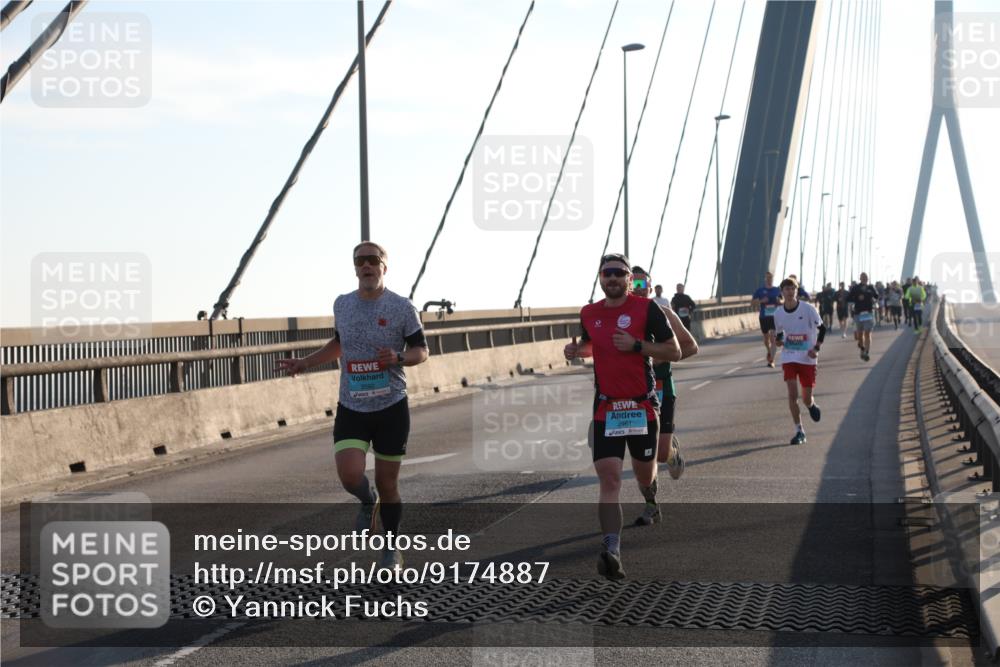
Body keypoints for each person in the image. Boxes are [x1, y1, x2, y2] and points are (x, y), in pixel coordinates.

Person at [276, 241, 429, 570]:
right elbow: (339, 343)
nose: (367, 266)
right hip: (352, 405)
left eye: (373, 260)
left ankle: (391, 549)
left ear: (384, 267)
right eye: (360, 261)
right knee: (349, 475)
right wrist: (305, 362)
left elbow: (421, 350)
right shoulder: (342, 305)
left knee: (389, 484)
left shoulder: (402, 307)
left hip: (391, 407)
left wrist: (399, 357)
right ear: (355, 268)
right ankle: (365, 500)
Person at [564, 254, 681, 580]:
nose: (612, 278)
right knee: (610, 479)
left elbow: (675, 351)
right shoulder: (589, 313)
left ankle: (650, 498)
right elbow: (590, 345)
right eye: (607, 273)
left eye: (619, 273)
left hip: (642, 406)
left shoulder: (647, 310)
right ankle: (612, 549)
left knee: (644, 476)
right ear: (600, 278)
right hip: (606, 408)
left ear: (630, 279)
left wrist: (638, 346)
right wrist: (576, 352)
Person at [631, 267, 699, 525]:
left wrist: (659, 356)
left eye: (642, 281)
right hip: (634, 395)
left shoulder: (665, 314)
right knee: (642, 456)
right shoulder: (617, 317)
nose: (637, 286)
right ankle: (651, 506)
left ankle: (671, 452)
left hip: (662, 388)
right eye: (633, 281)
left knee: (659, 455)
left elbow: (691, 346)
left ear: (650, 286)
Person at [773, 277, 824, 445]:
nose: (789, 292)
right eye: (786, 289)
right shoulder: (778, 313)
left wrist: (816, 349)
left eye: (792, 289)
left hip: (807, 358)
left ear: (796, 291)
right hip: (789, 356)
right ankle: (799, 430)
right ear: (782, 292)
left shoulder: (808, 309)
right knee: (792, 395)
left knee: (806, 398)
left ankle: (811, 405)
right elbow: (780, 333)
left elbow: (821, 329)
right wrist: (779, 340)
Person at [751, 272, 782, 367]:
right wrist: (761, 301)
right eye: (768, 278)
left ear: (773, 279)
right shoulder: (760, 291)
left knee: (773, 338)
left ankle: (771, 360)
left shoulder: (777, 290)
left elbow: (783, 301)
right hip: (764, 317)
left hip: (774, 316)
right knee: (766, 339)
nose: (769, 280)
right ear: (765, 279)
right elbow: (752, 303)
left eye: (771, 278)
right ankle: (769, 352)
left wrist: (779, 301)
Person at [848, 272, 879, 361]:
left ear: (867, 278)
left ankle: (866, 352)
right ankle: (862, 348)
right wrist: (857, 298)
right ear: (860, 278)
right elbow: (849, 298)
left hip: (868, 313)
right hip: (858, 313)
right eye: (863, 277)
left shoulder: (871, 287)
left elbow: (877, 296)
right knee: (860, 334)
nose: (865, 279)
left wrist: (874, 298)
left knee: (867, 333)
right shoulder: (856, 288)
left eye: (866, 277)